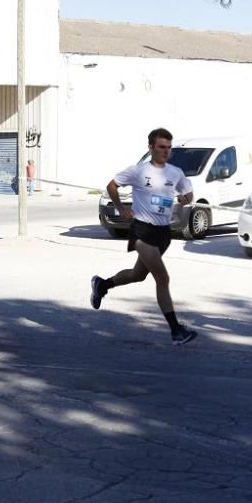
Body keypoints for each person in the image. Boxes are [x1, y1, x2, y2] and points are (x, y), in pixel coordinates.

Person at [90, 127, 198, 345]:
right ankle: (176, 330)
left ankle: (102, 285)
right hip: (142, 230)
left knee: (138, 275)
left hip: (163, 233)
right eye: (161, 147)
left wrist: (186, 198)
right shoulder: (138, 171)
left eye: (169, 147)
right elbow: (112, 186)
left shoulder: (175, 173)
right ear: (150, 147)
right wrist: (120, 207)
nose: (166, 151)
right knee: (163, 278)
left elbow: (188, 193)